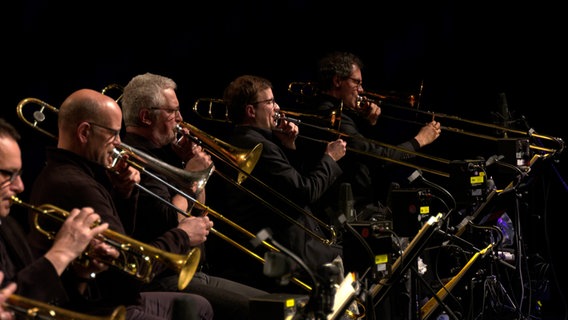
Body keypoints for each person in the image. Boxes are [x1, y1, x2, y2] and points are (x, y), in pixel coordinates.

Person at [24, 90, 214, 320]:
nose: (120, 144)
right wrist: (182, 236)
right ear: (84, 132)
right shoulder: (77, 185)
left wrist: (123, 195)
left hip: (114, 296)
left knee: (200, 306)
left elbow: (120, 236)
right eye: (114, 134)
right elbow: (129, 269)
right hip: (101, 307)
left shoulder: (70, 174)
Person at [120, 72, 269, 320]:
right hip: (165, 279)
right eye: (172, 112)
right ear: (146, 117)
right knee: (266, 311)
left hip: (193, 269)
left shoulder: (164, 152)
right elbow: (169, 219)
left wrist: (191, 170)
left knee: (276, 304)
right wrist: (189, 179)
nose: (180, 119)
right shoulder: (135, 159)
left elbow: (200, 208)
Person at [207, 74, 346, 296]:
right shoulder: (259, 146)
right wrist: (330, 159)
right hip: (291, 254)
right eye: (270, 102)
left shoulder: (244, 140)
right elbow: (306, 191)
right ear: (251, 111)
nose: (277, 107)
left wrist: (288, 145)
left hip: (287, 247)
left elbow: (287, 187)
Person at [299, 51, 442, 218]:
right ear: (337, 81)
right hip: (344, 212)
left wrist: (370, 123)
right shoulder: (329, 115)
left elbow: (365, 153)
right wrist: (419, 140)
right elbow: (377, 157)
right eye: (356, 83)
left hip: (355, 205)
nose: (361, 90)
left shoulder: (343, 114)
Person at [0, 117, 118, 313]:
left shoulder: (9, 226)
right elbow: (15, 304)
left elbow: (40, 301)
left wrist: (81, 274)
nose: (20, 186)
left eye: (19, 174)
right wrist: (61, 253)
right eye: (8, 174)